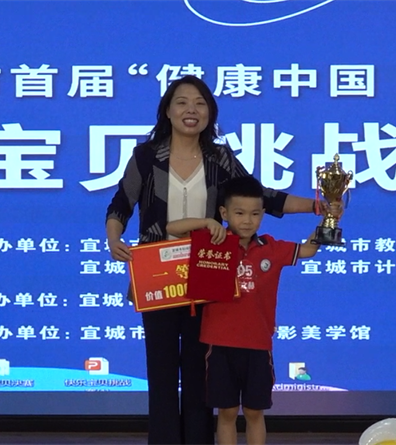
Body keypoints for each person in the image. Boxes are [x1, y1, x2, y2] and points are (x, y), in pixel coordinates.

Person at [105, 75, 324, 445]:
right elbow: (121, 204)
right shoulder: (146, 156)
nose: (191, 109)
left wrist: (319, 206)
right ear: (167, 110)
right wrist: (114, 238)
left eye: (200, 103)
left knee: (198, 374)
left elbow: (261, 197)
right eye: (182, 102)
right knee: (160, 372)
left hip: (208, 272)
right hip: (157, 277)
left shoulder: (219, 158)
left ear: (210, 112)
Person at [166, 175, 326, 445]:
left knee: (254, 412)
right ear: (224, 213)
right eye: (239, 213)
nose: (247, 221)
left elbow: (309, 250)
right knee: (227, 412)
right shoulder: (211, 242)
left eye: (255, 214)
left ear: (263, 214)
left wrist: (329, 220)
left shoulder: (271, 248)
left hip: (258, 345)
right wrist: (207, 223)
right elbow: (172, 227)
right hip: (219, 345)